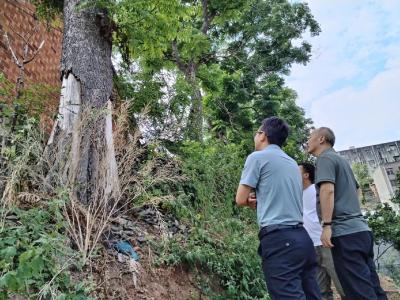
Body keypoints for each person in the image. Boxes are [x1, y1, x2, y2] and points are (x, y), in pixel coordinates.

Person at [236, 116, 321, 300]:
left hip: (280, 241)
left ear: (262, 135)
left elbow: (240, 199)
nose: (255, 136)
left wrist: (249, 202)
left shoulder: (257, 157)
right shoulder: (291, 163)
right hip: (303, 239)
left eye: (257, 132)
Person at [307, 127, 387, 300]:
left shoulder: (325, 158)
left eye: (310, 137)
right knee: (372, 286)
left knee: (358, 292)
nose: (307, 141)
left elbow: (327, 190)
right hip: (361, 230)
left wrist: (327, 225)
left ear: (321, 139)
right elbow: (357, 190)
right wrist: (352, 212)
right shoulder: (341, 160)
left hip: (345, 234)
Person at [299, 162, 345, 300]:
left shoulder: (317, 190)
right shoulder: (297, 194)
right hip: (310, 246)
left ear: (306, 175)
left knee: (342, 285)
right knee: (320, 290)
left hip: (326, 243)